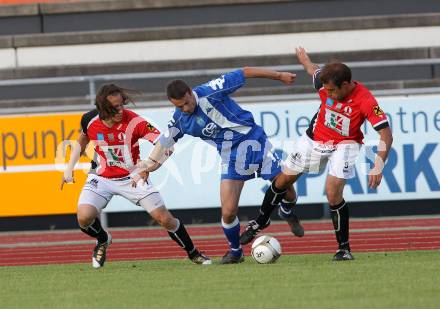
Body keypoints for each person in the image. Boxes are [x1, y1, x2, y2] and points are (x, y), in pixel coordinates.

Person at [132, 67, 304, 264]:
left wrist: (279, 76)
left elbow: (245, 72)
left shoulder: (212, 90)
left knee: (288, 193)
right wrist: (147, 168)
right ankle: (235, 251)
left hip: (255, 144)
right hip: (231, 158)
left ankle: (287, 212)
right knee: (228, 212)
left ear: (190, 92)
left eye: (187, 103)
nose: (185, 109)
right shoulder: (179, 119)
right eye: (179, 107)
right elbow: (163, 144)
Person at [240, 47, 394, 261]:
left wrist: (378, 165)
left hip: (346, 144)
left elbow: (386, 134)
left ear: (346, 84)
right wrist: (305, 60)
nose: (327, 94)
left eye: (332, 91)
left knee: (332, 192)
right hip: (315, 138)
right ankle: (261, 220)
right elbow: (312, 69)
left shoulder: (366, 100)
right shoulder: (323, 81)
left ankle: (344, 249)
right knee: (283, 180)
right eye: (326, 90)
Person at [60, 84, 211, 268]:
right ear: (102, 109)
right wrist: (69, 169)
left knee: (164, 218)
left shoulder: (135, 121)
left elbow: (166, 144)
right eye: (115, 107)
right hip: (102, 178)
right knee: (83, 217)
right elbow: (81, 141)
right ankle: (103, 239)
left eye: (122, 104)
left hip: (133, 178)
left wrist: (147, 167)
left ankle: (193, 253)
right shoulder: (89, 120)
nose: (121, 110)